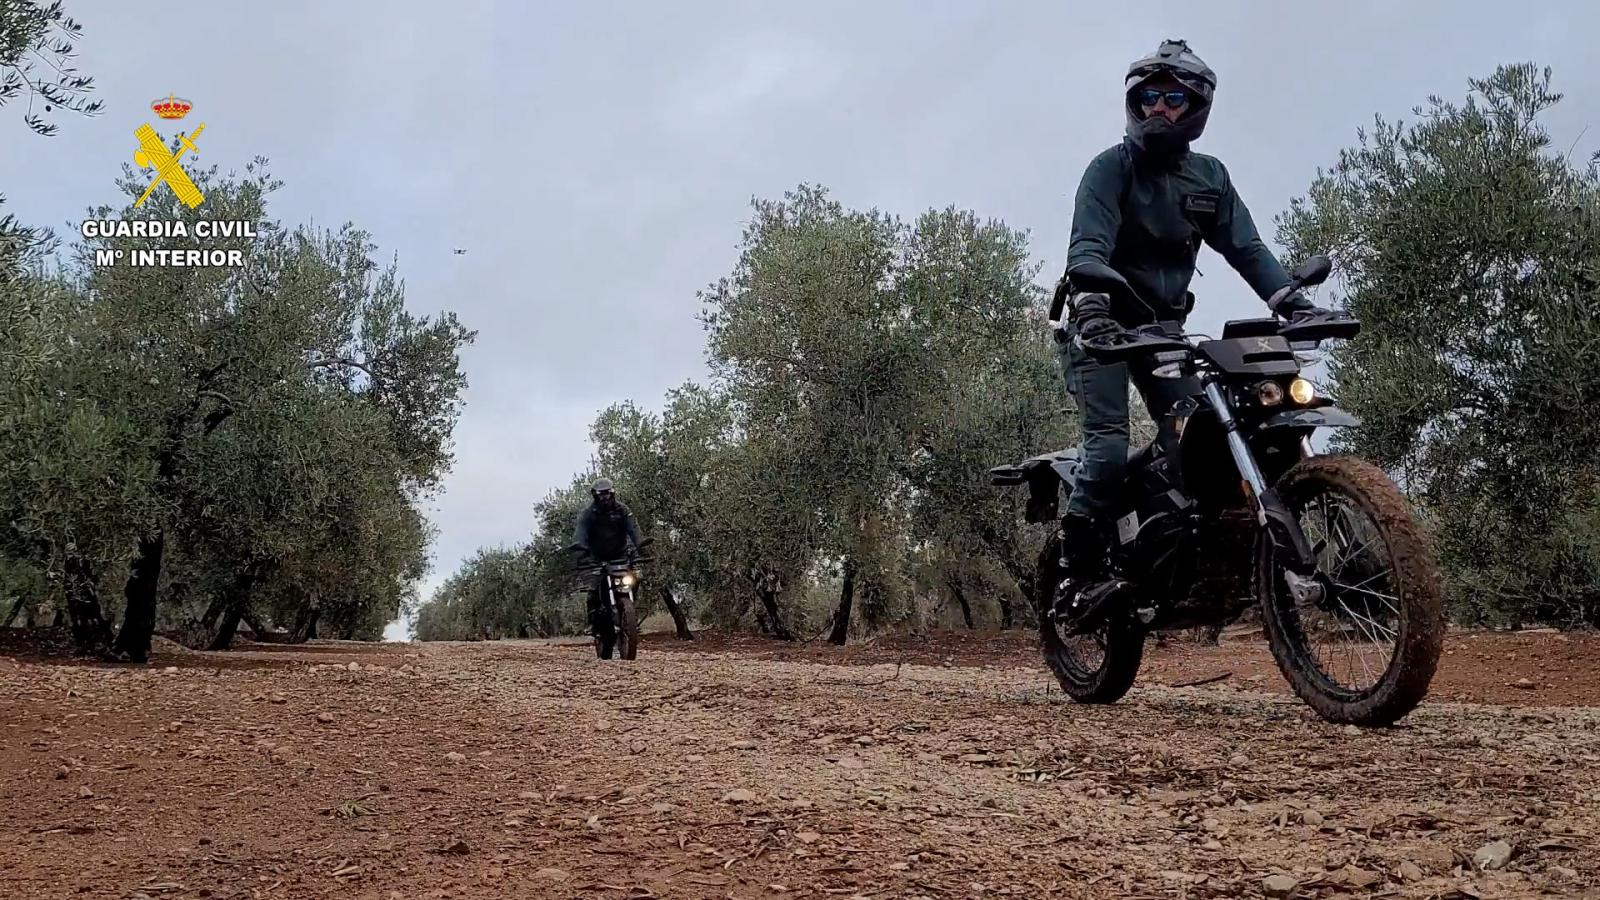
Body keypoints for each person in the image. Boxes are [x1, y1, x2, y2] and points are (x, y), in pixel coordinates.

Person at [1049, 38, 1330, 626]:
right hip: (1098, 327)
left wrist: (1295, 304)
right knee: (1104, 447)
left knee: (1197, 436)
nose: (1159, 109)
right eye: (1148, 97)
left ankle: (1177, 547)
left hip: (1164, 330)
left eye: (1173, 98)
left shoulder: (1210, 179)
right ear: (1133, 102)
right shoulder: (1109, 169)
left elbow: (1248, 249)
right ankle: (1076, 577)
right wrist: (1094, 308)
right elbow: (1088, 246)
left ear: (1197, 106)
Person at [571, 478, 645, 643]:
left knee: (635, 578)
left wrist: (640, 543)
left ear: (613, 494)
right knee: (593, 590)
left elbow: (633, 528)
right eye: (602, 496)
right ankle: (592, 623)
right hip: (598, 558)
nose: (605, 499)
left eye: (608, 495)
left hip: (620, 555)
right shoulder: (588, 514)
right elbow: (580, 530)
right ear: (595, 496)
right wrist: (579, 545)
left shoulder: (623, 510)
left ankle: (630, 612)